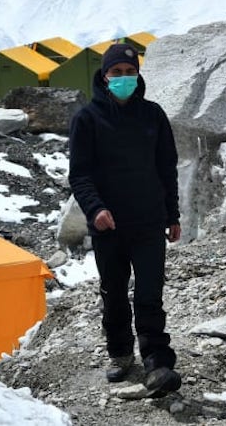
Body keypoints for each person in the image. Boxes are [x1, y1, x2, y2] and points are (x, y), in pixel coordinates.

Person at [68, 43, 182, 396]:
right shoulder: (86, 119)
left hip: (148, 221)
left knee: (149, 294)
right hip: (108, 227)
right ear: (104, 76)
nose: (123, 79)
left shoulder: (153, 115)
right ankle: (120, 353)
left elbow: (166, 168)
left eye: (129, 73)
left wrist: (172, 214)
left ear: (138, 75)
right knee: (114, 293)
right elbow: (80, 174)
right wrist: (96, 209)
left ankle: (156, 363)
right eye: (116, 73)